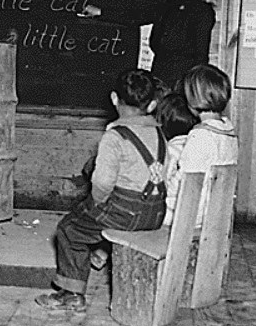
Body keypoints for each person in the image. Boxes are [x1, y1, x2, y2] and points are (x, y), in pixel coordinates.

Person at [35, 69, 167, 311]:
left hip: (125, 212)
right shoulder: (159, 133)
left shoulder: (115, 137)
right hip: (155, 213)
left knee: (69, 229)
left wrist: (96, 202)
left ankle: (71, 294)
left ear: (115, 98)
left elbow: (103, 183)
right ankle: (100, 251)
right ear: (152, 105)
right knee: (92, 221)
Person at [81, 0, 216, 89]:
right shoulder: (163, 6)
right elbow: (133, 16)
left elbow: (201, 57)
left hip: (182, 85)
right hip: (159, 80)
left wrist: (195, 89)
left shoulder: (200, 11)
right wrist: (101, 12)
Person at [179, 64, 239, 227]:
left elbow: (187, 184)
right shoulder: (229, 133)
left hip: (191, 217)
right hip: (217, 216)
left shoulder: (200, 136)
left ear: (192, 99)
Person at [154, 92, 199, 226]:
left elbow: (163, 186)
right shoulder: (197, 146)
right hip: (198, 212)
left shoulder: (169, 150)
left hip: (175, 214)